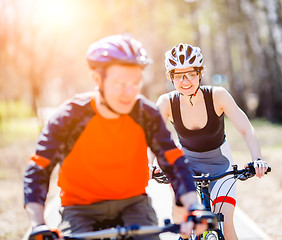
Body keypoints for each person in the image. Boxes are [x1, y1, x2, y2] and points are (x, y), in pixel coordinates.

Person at [23, 35, 208, 240]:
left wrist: (194, 207)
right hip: (80, 209)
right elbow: (38, 168)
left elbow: (174, 161)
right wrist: (37, 224)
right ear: (97, 79)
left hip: (133, 204)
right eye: (120, 83)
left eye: (136, 83)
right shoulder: (68, 118)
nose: (129, 92)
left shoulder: (146, 114)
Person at [152, 43, 268, 240]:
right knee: (183, 221)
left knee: (225, 223)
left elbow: (246, 128)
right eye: (178, 75)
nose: (185, 81)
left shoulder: (217, 96)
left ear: (200, 73)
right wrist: (150, 165)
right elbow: (154, 137)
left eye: (190, 74)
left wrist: (257, 159)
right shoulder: (166, 102)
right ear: (171, 77)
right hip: (185, 165)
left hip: (220, 164)